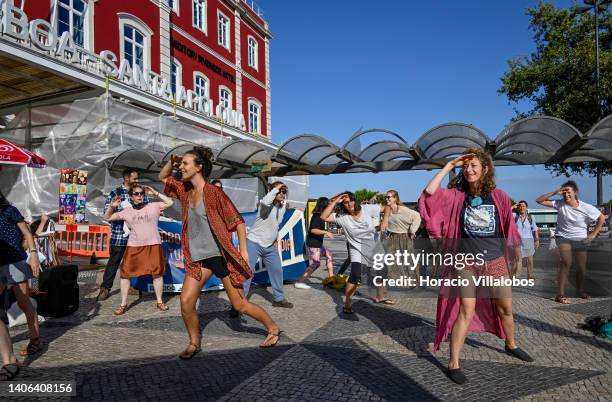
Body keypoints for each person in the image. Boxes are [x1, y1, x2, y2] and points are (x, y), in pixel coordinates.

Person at [418, 148, 533, 385]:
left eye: (474, 166)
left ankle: (511, 344)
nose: (469, 170)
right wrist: (450, 165)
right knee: (466, 310)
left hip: (495, 261)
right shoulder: (456, 195)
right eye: (466, 167)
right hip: (465, 261)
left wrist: (517, 257)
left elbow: (509, 230)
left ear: (485, 169)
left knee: (505, 309)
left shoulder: (499, 196)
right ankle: (453, 363)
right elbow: (429, 193)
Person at [159, 147, 281, 358]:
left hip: (221, 257)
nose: (182, 167)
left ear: (199, 167)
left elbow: (238, 222)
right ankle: (194, 343)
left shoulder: (215, 193)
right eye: (181, 164)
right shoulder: (185, 190)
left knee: (240, 305)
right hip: (198, 259)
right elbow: (163, 176)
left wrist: (243, 251)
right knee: (186, 302)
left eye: (186, 163)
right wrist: (173, 161)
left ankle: (273, 328)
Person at [104, 184, 173, 315]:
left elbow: (170, 202)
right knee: (125, 275)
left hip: (153, 244)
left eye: (141, 193)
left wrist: (155, 192)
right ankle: (123, 304)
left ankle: (159, 301)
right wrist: (112, 206)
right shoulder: (127, 211)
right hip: (134, 246)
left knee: (157, 274)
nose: (139, 196)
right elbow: (107, 218)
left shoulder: (153, 206)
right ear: (131, 196)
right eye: (136, 194)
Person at [536, 181, 605, 304]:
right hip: (562, 236)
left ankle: (580, 289)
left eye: (568, 191)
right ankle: (560, 294)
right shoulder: (559, 204)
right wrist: (555, 192)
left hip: (580, 238)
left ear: (575, 192)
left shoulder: (586, 207)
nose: (565, 194)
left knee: (581, 268)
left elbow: (601, 218)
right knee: (566, 262)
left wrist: (593, 234)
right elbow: (539, 200)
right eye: (564, 192)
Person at [320, 192, 385, 314]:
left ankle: (380, 297)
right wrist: (336, 200)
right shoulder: (342, 217)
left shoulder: (367, 209)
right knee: (355, 274)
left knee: (380, 271)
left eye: (350, 200)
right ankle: (347, 304)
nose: (348, 203)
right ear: (342, 204)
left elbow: (386, 208)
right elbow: (323, 217)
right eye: (345, 202)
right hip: (357, 248)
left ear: (355, 200)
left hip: (374, 246)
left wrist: (385, 220)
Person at [0, 191, 41, 360]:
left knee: (23, 301)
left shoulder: (9, 211)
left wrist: (33, 254)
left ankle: (35, 338)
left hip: (15, 261)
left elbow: (27, 233)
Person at [97, 168, 148, 301]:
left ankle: (131, 285)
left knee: (132, 262)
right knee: (114, 262)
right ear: (126, 178)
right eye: (134, 178)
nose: (137, 181)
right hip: (119, 235)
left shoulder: (140, 192)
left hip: (136, 236)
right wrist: (123, 213)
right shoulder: (116, 192)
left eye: (137, 179)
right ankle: (105, 288)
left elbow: (146, 209)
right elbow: (106, 213)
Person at [241, 182, 293, 308]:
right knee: (247, 273)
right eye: (279, 191)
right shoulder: (264, 205)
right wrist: (275, 189)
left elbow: (276, 225)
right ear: (273, 191)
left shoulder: (281, 208)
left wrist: (275, 240)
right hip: (254, 242)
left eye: (284, 191)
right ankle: (239, 302)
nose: (281, 193)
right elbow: (265, 202)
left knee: (277, 270)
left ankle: (278, 299)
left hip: (269, 246)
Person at [380, 190, 421, 293]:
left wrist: (412, 231)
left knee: (410, 261)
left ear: (395, 198)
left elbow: (417, 216)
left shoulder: (403, 210)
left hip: (405, 237)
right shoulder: (387, 210)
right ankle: (384, 285)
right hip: (392, 237)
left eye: (389, 197)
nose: (387, 199)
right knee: (388, 260)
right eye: (386, 197)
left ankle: (416, 282)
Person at [295, 197, 334, 289]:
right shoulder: (317, 216)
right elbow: (313, 230)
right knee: (316, 263)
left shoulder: (321, 216)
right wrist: (326, 232)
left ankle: (332, 280)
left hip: (318, 243)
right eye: (328, 206)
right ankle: (300, 282)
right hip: (314, 244)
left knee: (329, 256)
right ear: (324, 206)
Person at [512, 201, 539, 280]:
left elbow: (535, 229)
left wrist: (537, 239)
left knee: (530, 260)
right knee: (517, 260)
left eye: (523, 206)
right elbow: (506, 212)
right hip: (517, 241)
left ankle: (530, 275)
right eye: (520, 206)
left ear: (526, 207)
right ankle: (513, 274)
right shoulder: (514, 216)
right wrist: (513, 207)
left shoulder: (531, 217)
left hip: (529, 240)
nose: (521, 208)